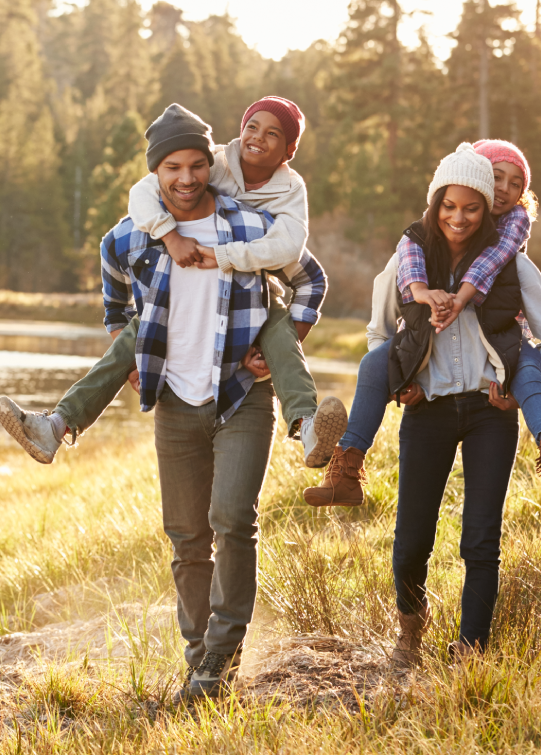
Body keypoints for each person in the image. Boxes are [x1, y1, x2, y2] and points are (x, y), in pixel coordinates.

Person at [36, 106, 327, 698]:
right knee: (187, 537)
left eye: (198, 165)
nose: (187, 178)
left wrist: (284, 340)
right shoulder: (130, 234)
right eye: (173, 167)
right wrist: (130, 357)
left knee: (232, 522)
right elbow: (113, 290)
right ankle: (199, 660)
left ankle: (221, 657)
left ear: (210, 166)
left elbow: (310, 277)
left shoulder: (248, 227)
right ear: (156, 174)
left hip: (241, 394)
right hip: (173, 399)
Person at [0, 98, 345, 470]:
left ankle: (307, 426)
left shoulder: (288, 192)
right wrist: (169, 236)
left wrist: (273, 345)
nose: (187, 177)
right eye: (252, 127)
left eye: (273, 133)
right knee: (135, 333)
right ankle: (56, 426)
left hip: (255, 296)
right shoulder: (215, 162)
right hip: (177, 301)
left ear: (290, 150)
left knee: (278, 331)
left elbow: (295, 253)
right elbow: (143, 194)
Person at [360, 143, 541, 666]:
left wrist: (520, 392)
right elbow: (378, 332)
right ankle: (411, 627)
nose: (461, 215)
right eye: (451, 205)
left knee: (481, 539)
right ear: (438, 203)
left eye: (473, 206)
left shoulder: (514, 266)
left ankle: (472, 647)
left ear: (485, 210)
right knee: (411, 538)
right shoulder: (410, 261)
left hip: (487, 415)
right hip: (427, 411)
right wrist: (401, 380)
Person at [303, 139, 541, 508]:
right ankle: (347, 467)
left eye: (516, 184)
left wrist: (461, 298)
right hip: (428, 382)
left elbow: (500, 270)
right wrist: (402, 380)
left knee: (527, 368)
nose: (505, 190)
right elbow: (382, 321)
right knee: (372, 364)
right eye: (497, 178)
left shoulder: (510, 245)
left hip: (501, 357)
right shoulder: (415, 244)